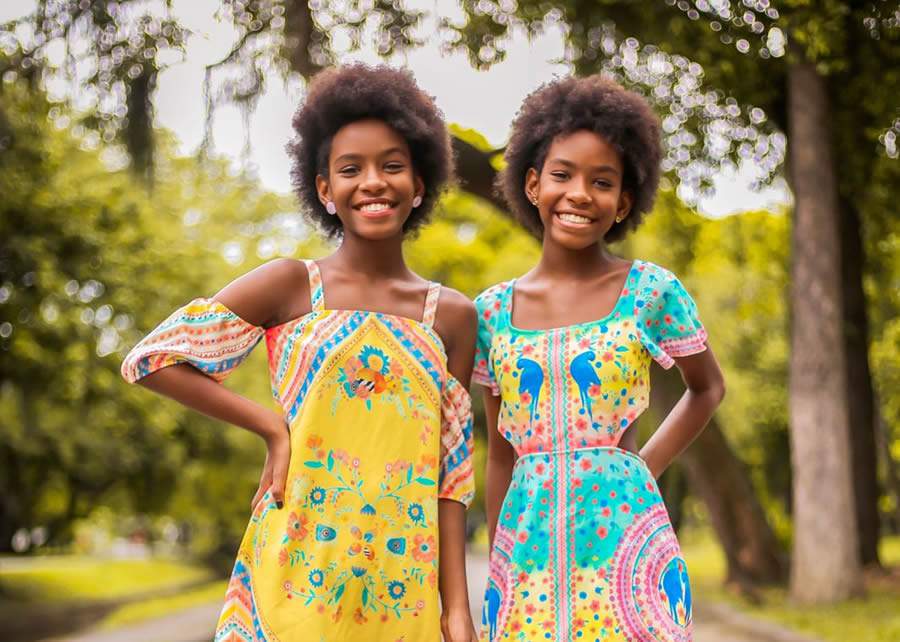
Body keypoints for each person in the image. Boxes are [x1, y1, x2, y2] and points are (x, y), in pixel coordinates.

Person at [121, 64, 479, 642]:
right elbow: (153, 359)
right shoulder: (289, 286)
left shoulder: (454, 318)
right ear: (323, 190)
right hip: (296, 570)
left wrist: (456, 607)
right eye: (350, 169)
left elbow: (452, 477)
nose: (373, 182)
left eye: (392, 166)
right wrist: (270, 427)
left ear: (419, 183)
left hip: (403, 583)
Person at [474, 75, 726, 642]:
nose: (580, 193)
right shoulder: (491, 313)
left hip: (624, 544)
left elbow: (707, 387)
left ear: (623, 203)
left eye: (602, 181)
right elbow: (497, 454)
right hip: (528, 552)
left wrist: (642, 469)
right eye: (562, 175)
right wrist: (498, 563)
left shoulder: (649, 292)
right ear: (534, 185)